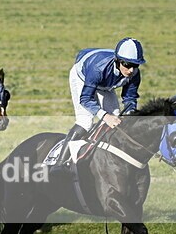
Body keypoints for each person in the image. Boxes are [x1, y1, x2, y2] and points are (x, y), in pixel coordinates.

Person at [53, 37, 145, 170]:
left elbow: (130, 98)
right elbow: (85, 99)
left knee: (117, 119)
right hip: (83, 77)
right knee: (86, 121)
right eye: (127, 65)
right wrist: (105, 116)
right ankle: (59, 164)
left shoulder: (134, 74)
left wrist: (130, 115)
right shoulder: (98, 69)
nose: (131, 70)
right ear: (117, 61)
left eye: (135, 65)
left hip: (105, 85)